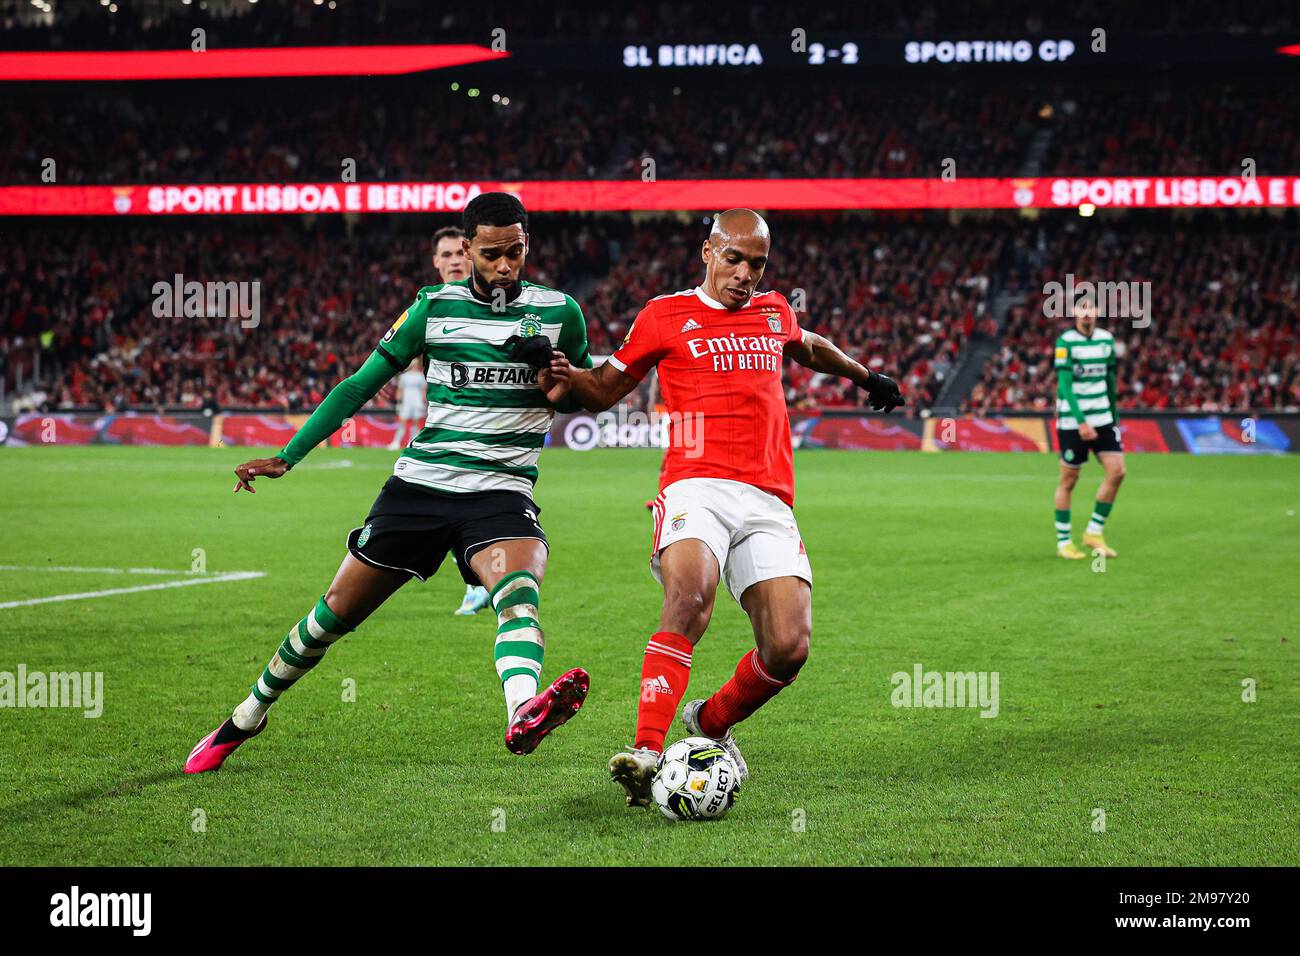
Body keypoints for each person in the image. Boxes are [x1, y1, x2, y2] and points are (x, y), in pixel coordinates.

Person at [185, 192, 593, 773]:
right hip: (421, 488)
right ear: (469, 249)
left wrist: (563, 379)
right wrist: (289, 454)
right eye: (492, 254)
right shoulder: (432, 307)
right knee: (332, 615)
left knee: (518, 592)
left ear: (528, 245)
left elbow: (586, 395)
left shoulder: (560, 311)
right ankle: (247, 715)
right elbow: (359, 385)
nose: (505, 266)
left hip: (502, 490)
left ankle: (521, 712)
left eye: (516, 253)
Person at [548, 209, 903, 807]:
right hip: (695, 484)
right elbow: (602, 390)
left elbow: (810, 347)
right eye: (734, 259)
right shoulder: (664, 315)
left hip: (768, 496)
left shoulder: (774, 312)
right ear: (707, 251)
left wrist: (869, 378)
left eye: (757, 264)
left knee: (788, 647)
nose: (744, 274)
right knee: (688, 599)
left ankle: (709, 723)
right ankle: (645, 751)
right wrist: (558, 371)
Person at [1052, 296, 1123, 560]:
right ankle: (1064, 543)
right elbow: (1065, 386)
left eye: (1091, 309)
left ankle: (1094, 532)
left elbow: (1109, 379)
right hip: (1073, 421)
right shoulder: (1065, 342)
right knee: (1069, 480)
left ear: (1097, 312)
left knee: (1117, 472)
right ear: (1074, 313)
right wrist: (1081, 421)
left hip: (1103, 418)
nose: (1086, 314)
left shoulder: (1106, 340)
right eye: (1081, 309)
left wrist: (1114, 417)